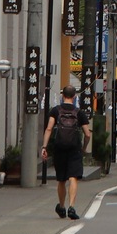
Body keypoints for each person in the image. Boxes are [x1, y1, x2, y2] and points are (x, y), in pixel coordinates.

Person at [41, 86, 91, 220]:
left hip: (60, 148)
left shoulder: (56, 110)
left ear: (63, 95)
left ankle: (61, 207)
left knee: (61, 179)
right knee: (73, 177)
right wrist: (84, 147)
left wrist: (44, 147)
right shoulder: (79, 112)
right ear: (74, 96)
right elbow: (87, 134)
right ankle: (72, 207)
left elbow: (49, 128)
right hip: (74, 148)